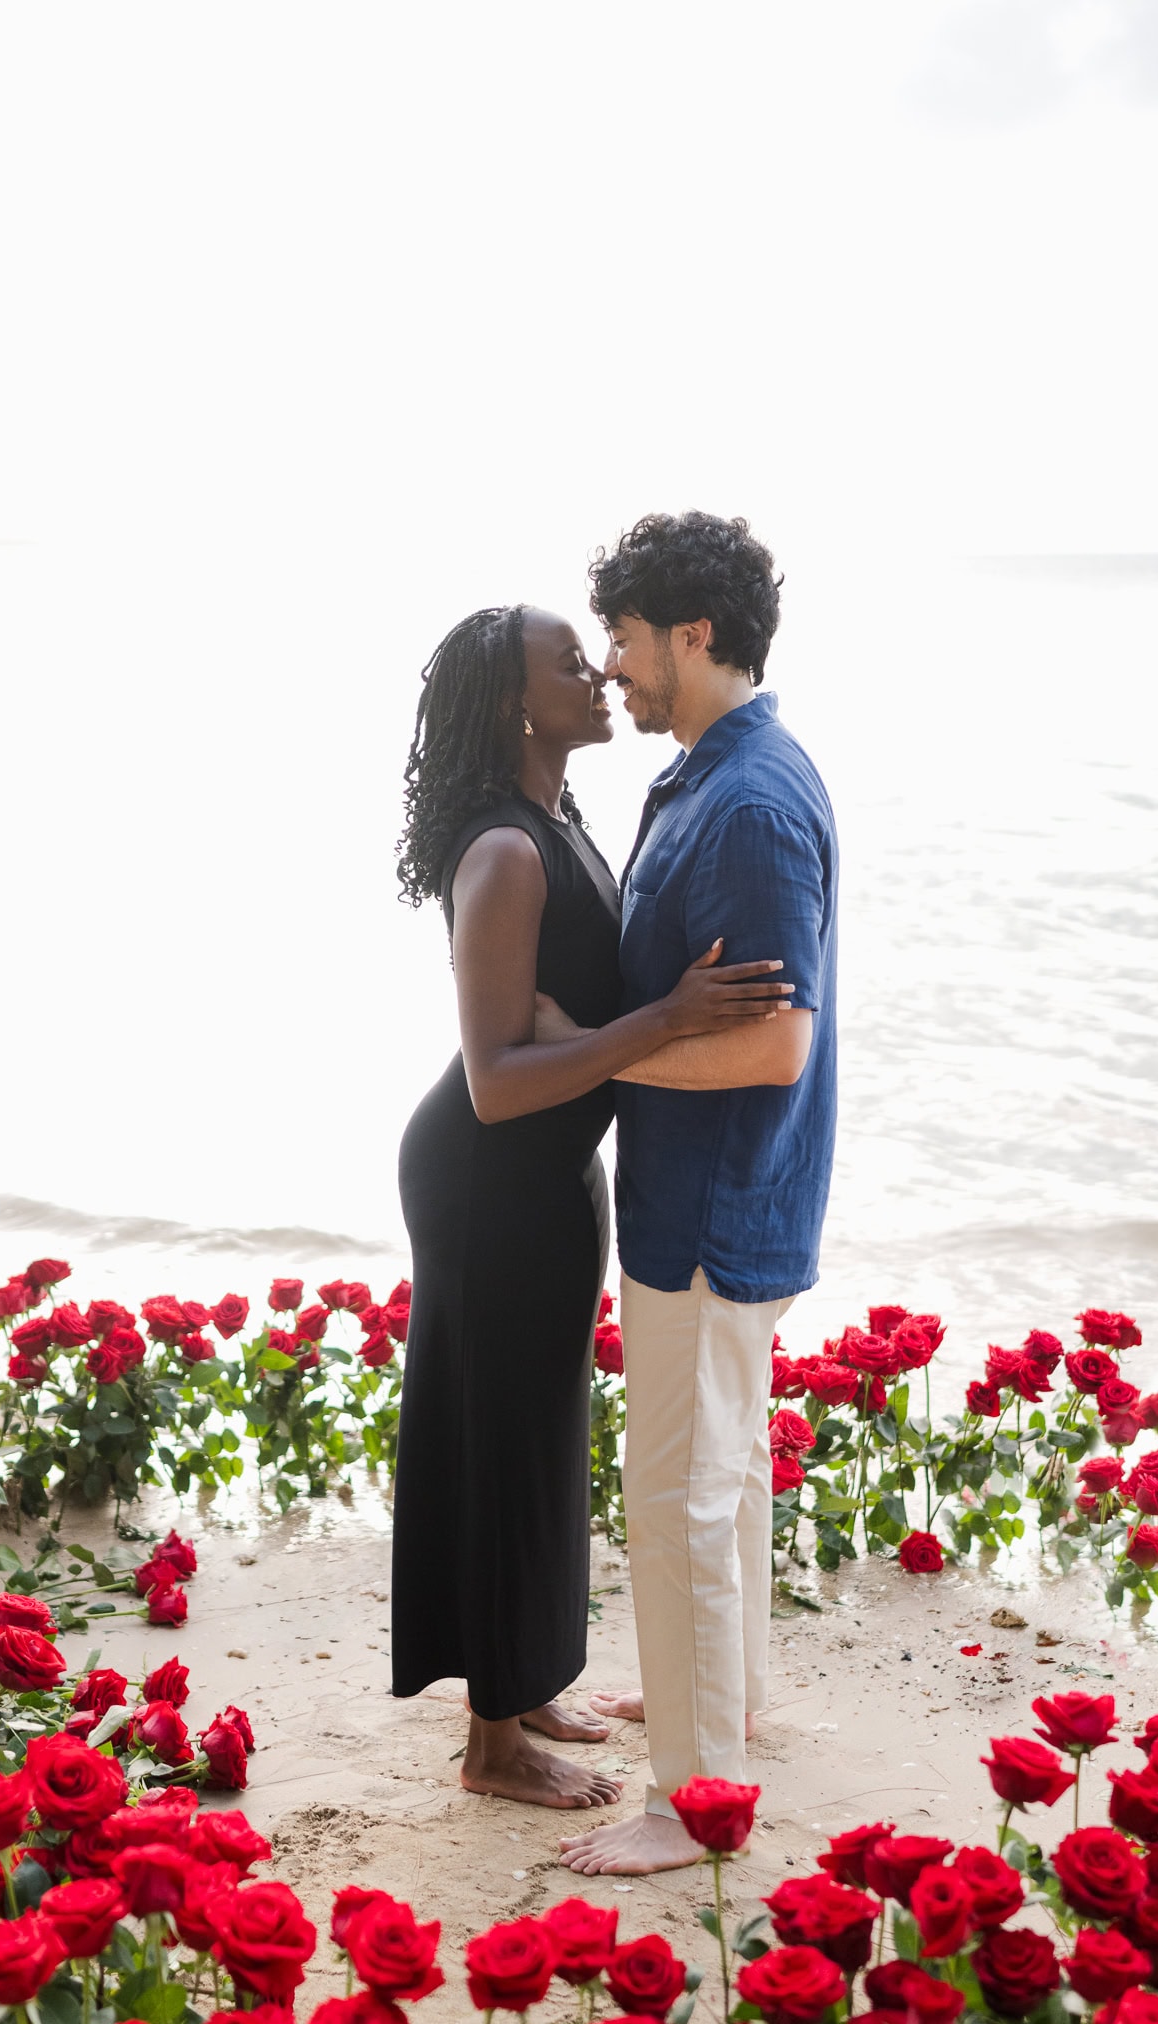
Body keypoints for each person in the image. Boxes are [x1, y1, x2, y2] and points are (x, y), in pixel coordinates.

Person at [389, 602, 794, 1811]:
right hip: (489, 1177)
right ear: (519, 706)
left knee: (538, 1434)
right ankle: (492, 1744)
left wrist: (608, 1036)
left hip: (548, 1176)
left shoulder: (557, 820)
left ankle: (522, 1687)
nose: (598, 671)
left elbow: (559, 1028)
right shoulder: (505, 852)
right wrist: (656, 1026)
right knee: (499, 1441)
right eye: (569, 662)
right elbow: (497, 1080)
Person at [551, 512, 840, 1877]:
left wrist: (604, 1060)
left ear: (693, 634)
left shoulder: (754, 801)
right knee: (721, 1475)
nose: (610, 665)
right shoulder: (701, 775)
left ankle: (697, 1797)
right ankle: (721, 1705)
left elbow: (776, 1040)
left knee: (679, 1493)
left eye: (623, 638)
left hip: (715, 1207)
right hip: (703, 1193)